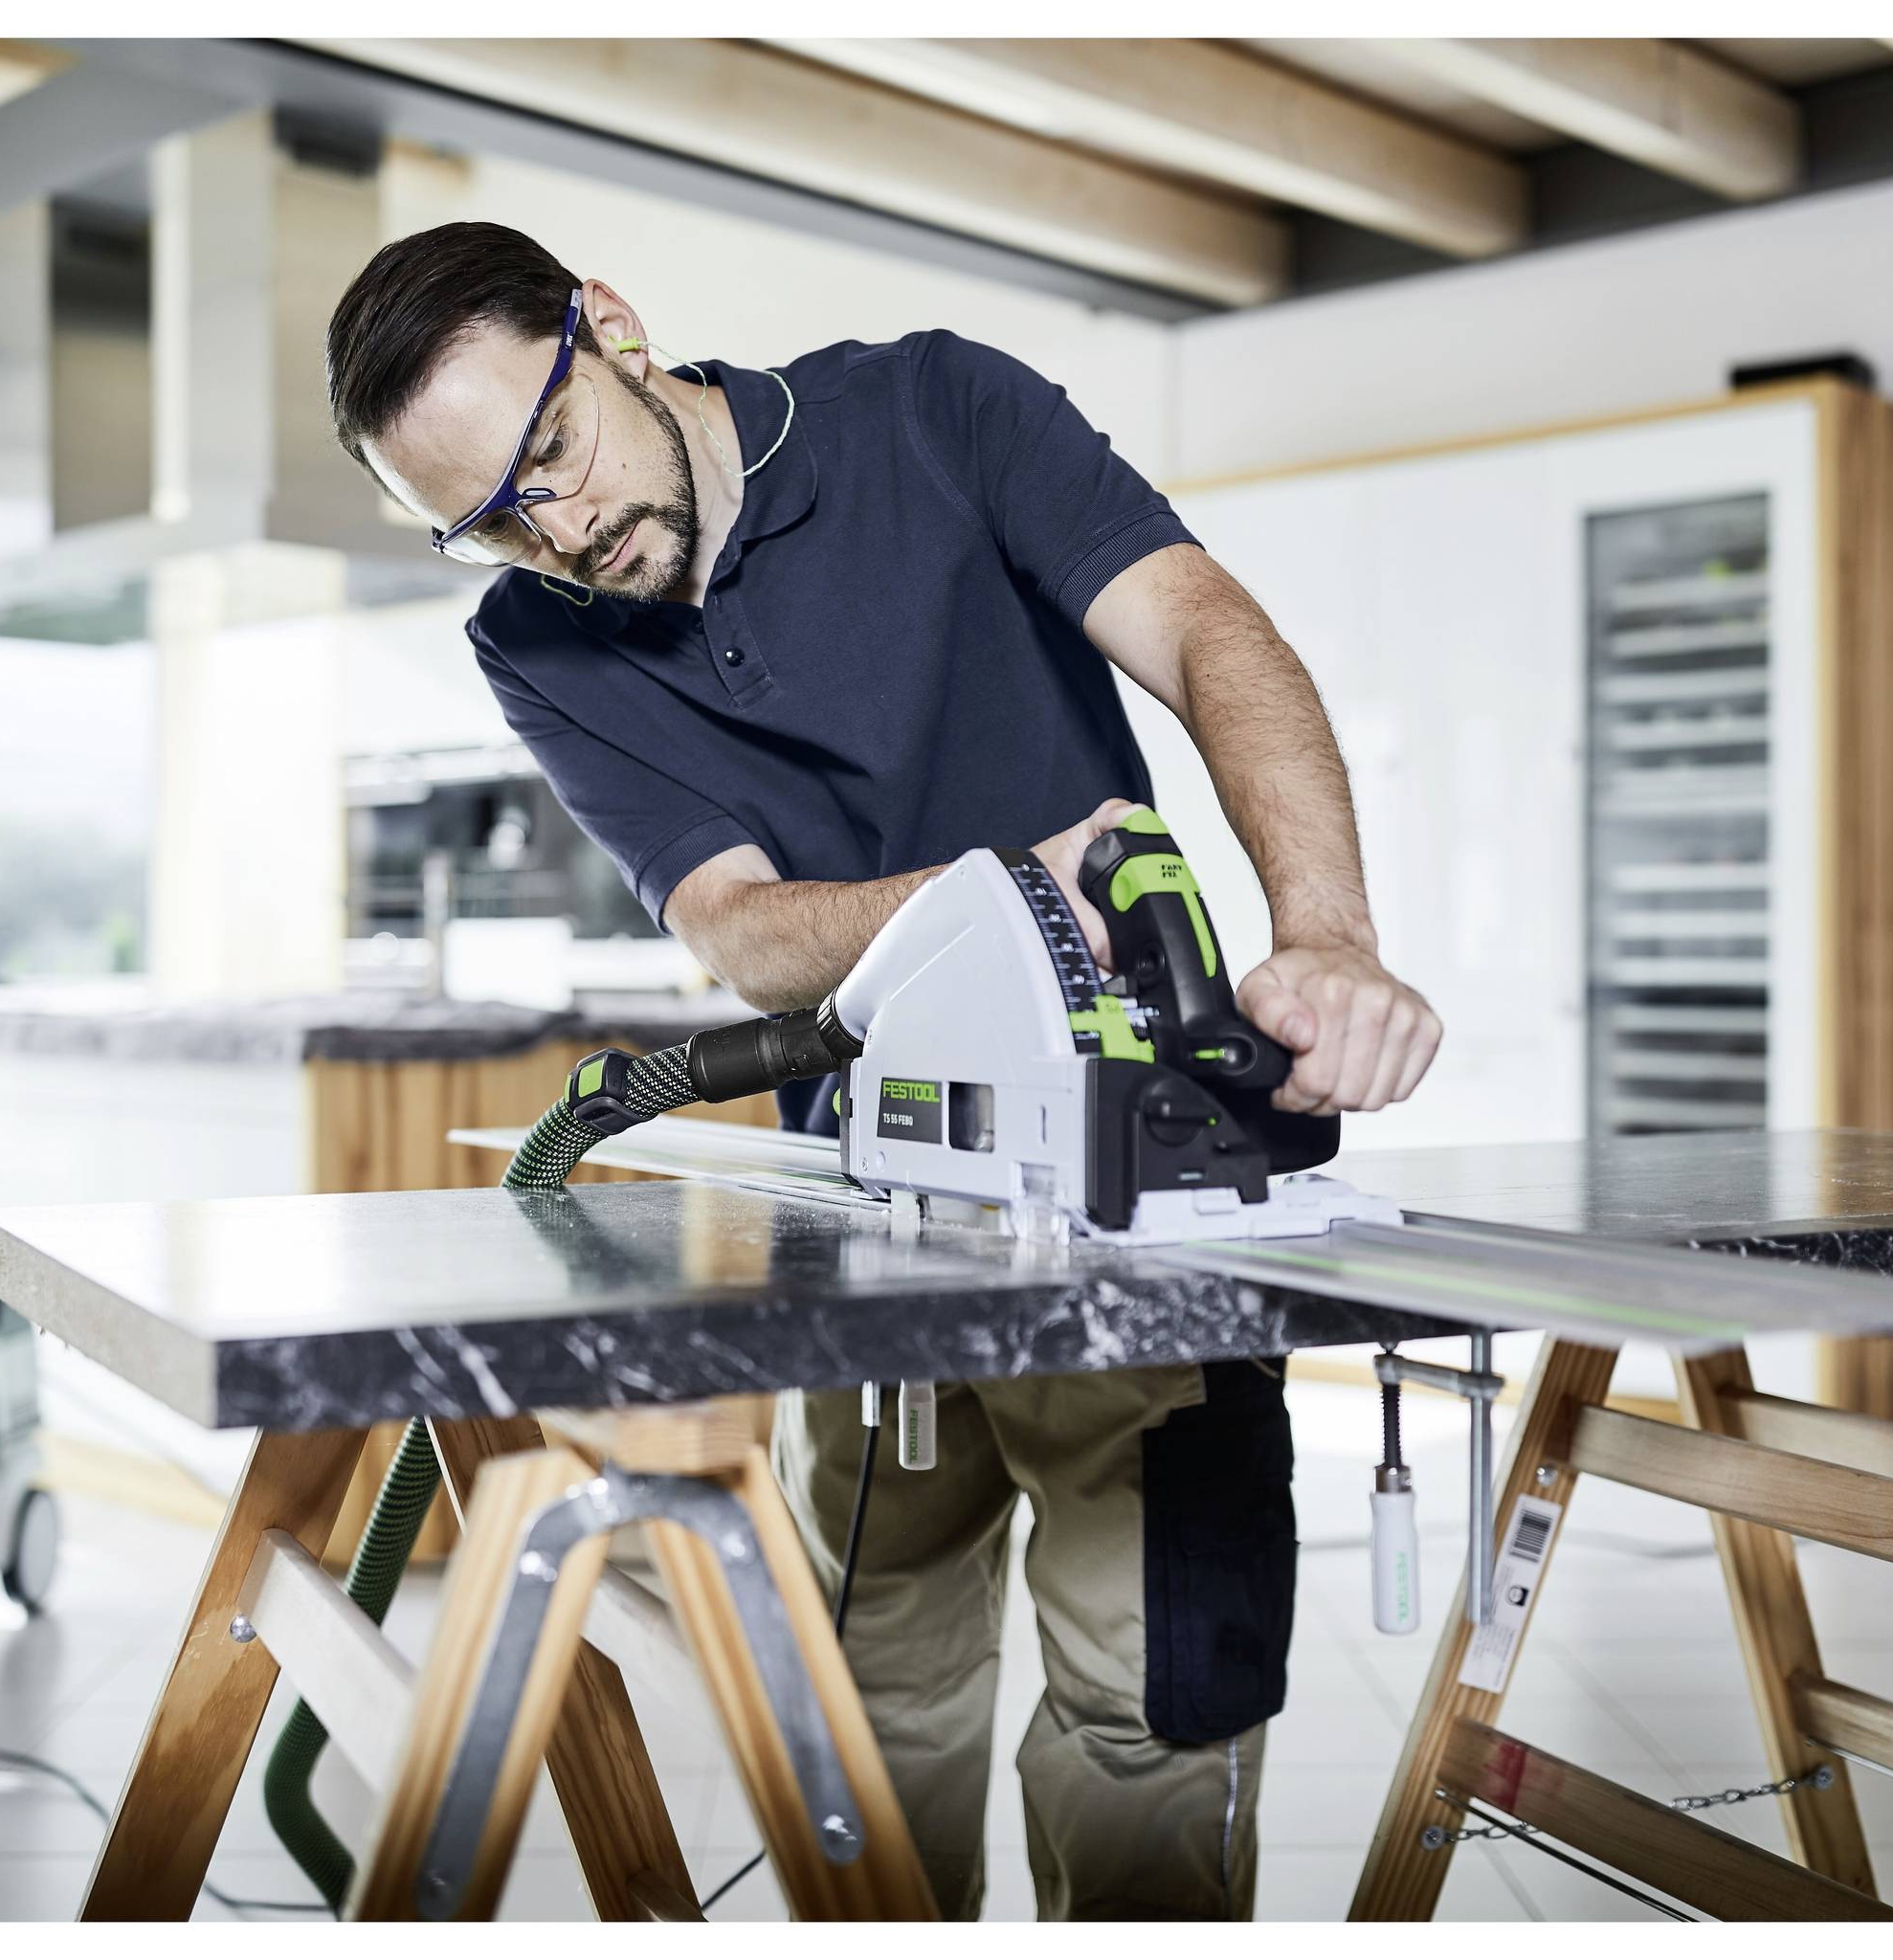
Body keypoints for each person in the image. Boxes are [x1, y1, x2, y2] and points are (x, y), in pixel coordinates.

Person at [326, 222, 1442, 1920]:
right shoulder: (532, 640)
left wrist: (1330, 933)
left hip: (1133, 1196)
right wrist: (1005, 887)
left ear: (611, 328)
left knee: (1149, 1717)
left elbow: (1213, 636)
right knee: (866, 1713)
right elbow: (747, 936)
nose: (558, 534)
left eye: (549, 454)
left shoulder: (937, 412)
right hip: (868, 1223)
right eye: (490, 519)